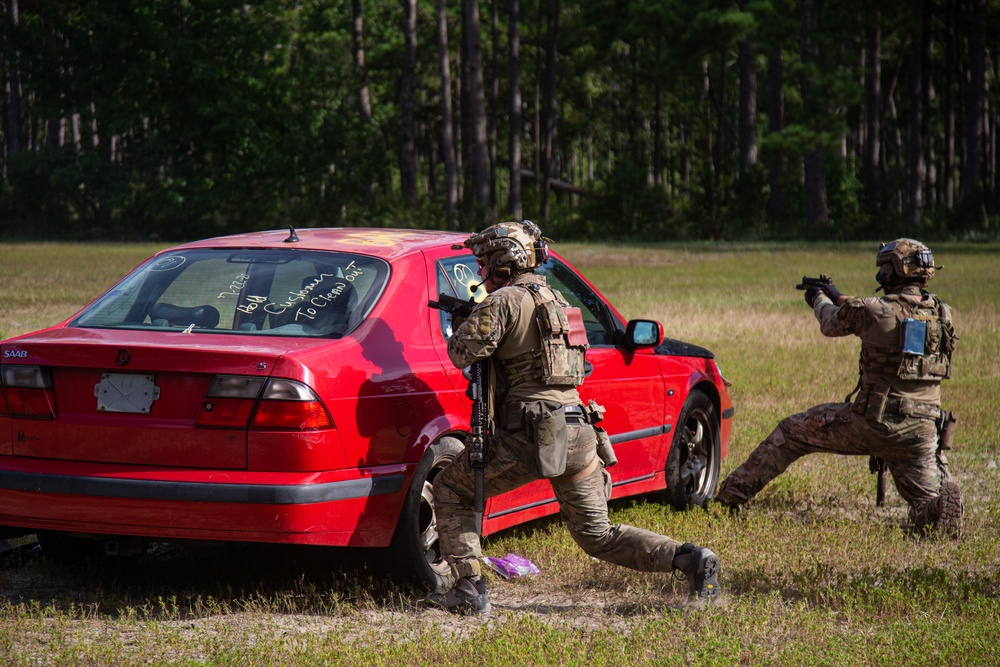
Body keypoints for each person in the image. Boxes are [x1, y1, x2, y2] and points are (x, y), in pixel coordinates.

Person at [424, 220, 720, 616]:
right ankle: (690, 559)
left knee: (449, 488)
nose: (481, 272)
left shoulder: (503, 302)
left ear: (504, 262)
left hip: (530, 432)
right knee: (599, 535)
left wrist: (462, 322)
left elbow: (462, 353)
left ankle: (469, 588)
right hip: (578, 430)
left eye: (485, 263)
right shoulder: (557, 301)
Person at [715, 239, 962, 537]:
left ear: (896, 270)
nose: (880, 273)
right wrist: (837, 293)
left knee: (792, 432)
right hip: (922, 431)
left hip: (873, 422)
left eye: (884, 267)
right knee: (923, 504)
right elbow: (877, 311)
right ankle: (937, 509)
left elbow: (831, 322)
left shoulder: (873, 310)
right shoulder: (942, 313)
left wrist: (819, 299)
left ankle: (727, 499)